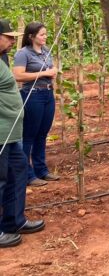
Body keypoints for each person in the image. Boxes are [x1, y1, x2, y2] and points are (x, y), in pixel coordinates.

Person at [0, 19, 45, 247]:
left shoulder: (2, 58)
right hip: (0, 134)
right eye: (7, 36)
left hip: (11, 132)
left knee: (17, 172)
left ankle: (13, 221)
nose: (11, 40)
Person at [12, 22, 59, 187]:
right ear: (31, 36)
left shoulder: (46, 51)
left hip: (47, 94)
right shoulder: (23, 53)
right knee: (29, 135)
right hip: (32, 95)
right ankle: (27, 175)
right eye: (42, 35)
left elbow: (51, 68)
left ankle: (42, 170)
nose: (45, 37)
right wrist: (44, 73)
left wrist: (53, 72)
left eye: (46, 34)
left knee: (42, 134)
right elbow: (18, 76)